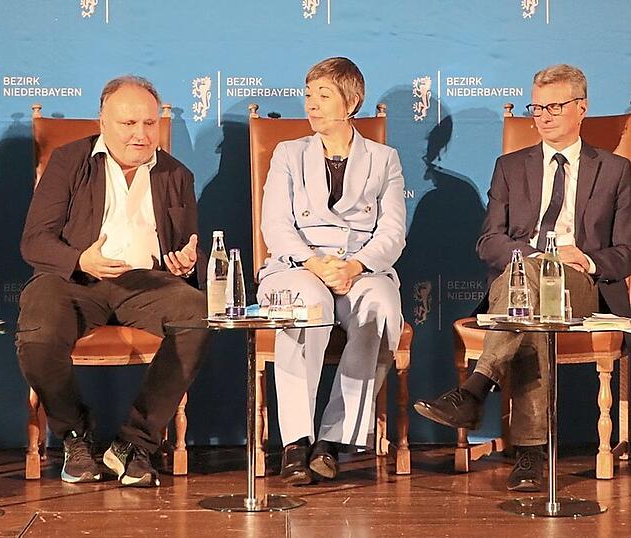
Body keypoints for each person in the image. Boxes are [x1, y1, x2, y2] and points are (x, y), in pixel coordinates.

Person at [415, 64, 631, 492]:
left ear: (581, 108)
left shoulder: (615, 171)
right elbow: (488, 241)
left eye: (555, 106)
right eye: (537, 107)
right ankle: (531, 453)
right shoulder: (510, 167)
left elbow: (625, 254)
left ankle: (478, 393)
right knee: (530, 298)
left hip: (582, 288)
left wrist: (584, 259)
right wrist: (538, 257)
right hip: (519, 281)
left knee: (531, 292)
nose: (543, 116)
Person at [16, 75, 210, 487]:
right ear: (103, 123)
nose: (141, 135)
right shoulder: (69, 161)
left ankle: (134, 443)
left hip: (146, 284)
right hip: (74, 279)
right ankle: (74, 435)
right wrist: (81, 257)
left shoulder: (177, 174)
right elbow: (34, 242)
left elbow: (188, 250)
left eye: (149, 124)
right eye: (128, 124)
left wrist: (185, 264)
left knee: (196, 311)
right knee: (38, 329)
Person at [257, 57, 406, 485]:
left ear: (351, 101)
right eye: (308, 95)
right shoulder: (288, 154)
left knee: (379, 307)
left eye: (323, 95)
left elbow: (393, 232)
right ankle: (296, 442)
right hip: (296, 265)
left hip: (359, 267)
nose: (312, 105)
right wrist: (311, 262)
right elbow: (276, 225)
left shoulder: (384, 159)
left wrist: (356, 266)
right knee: (309, 302)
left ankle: (333, 439)